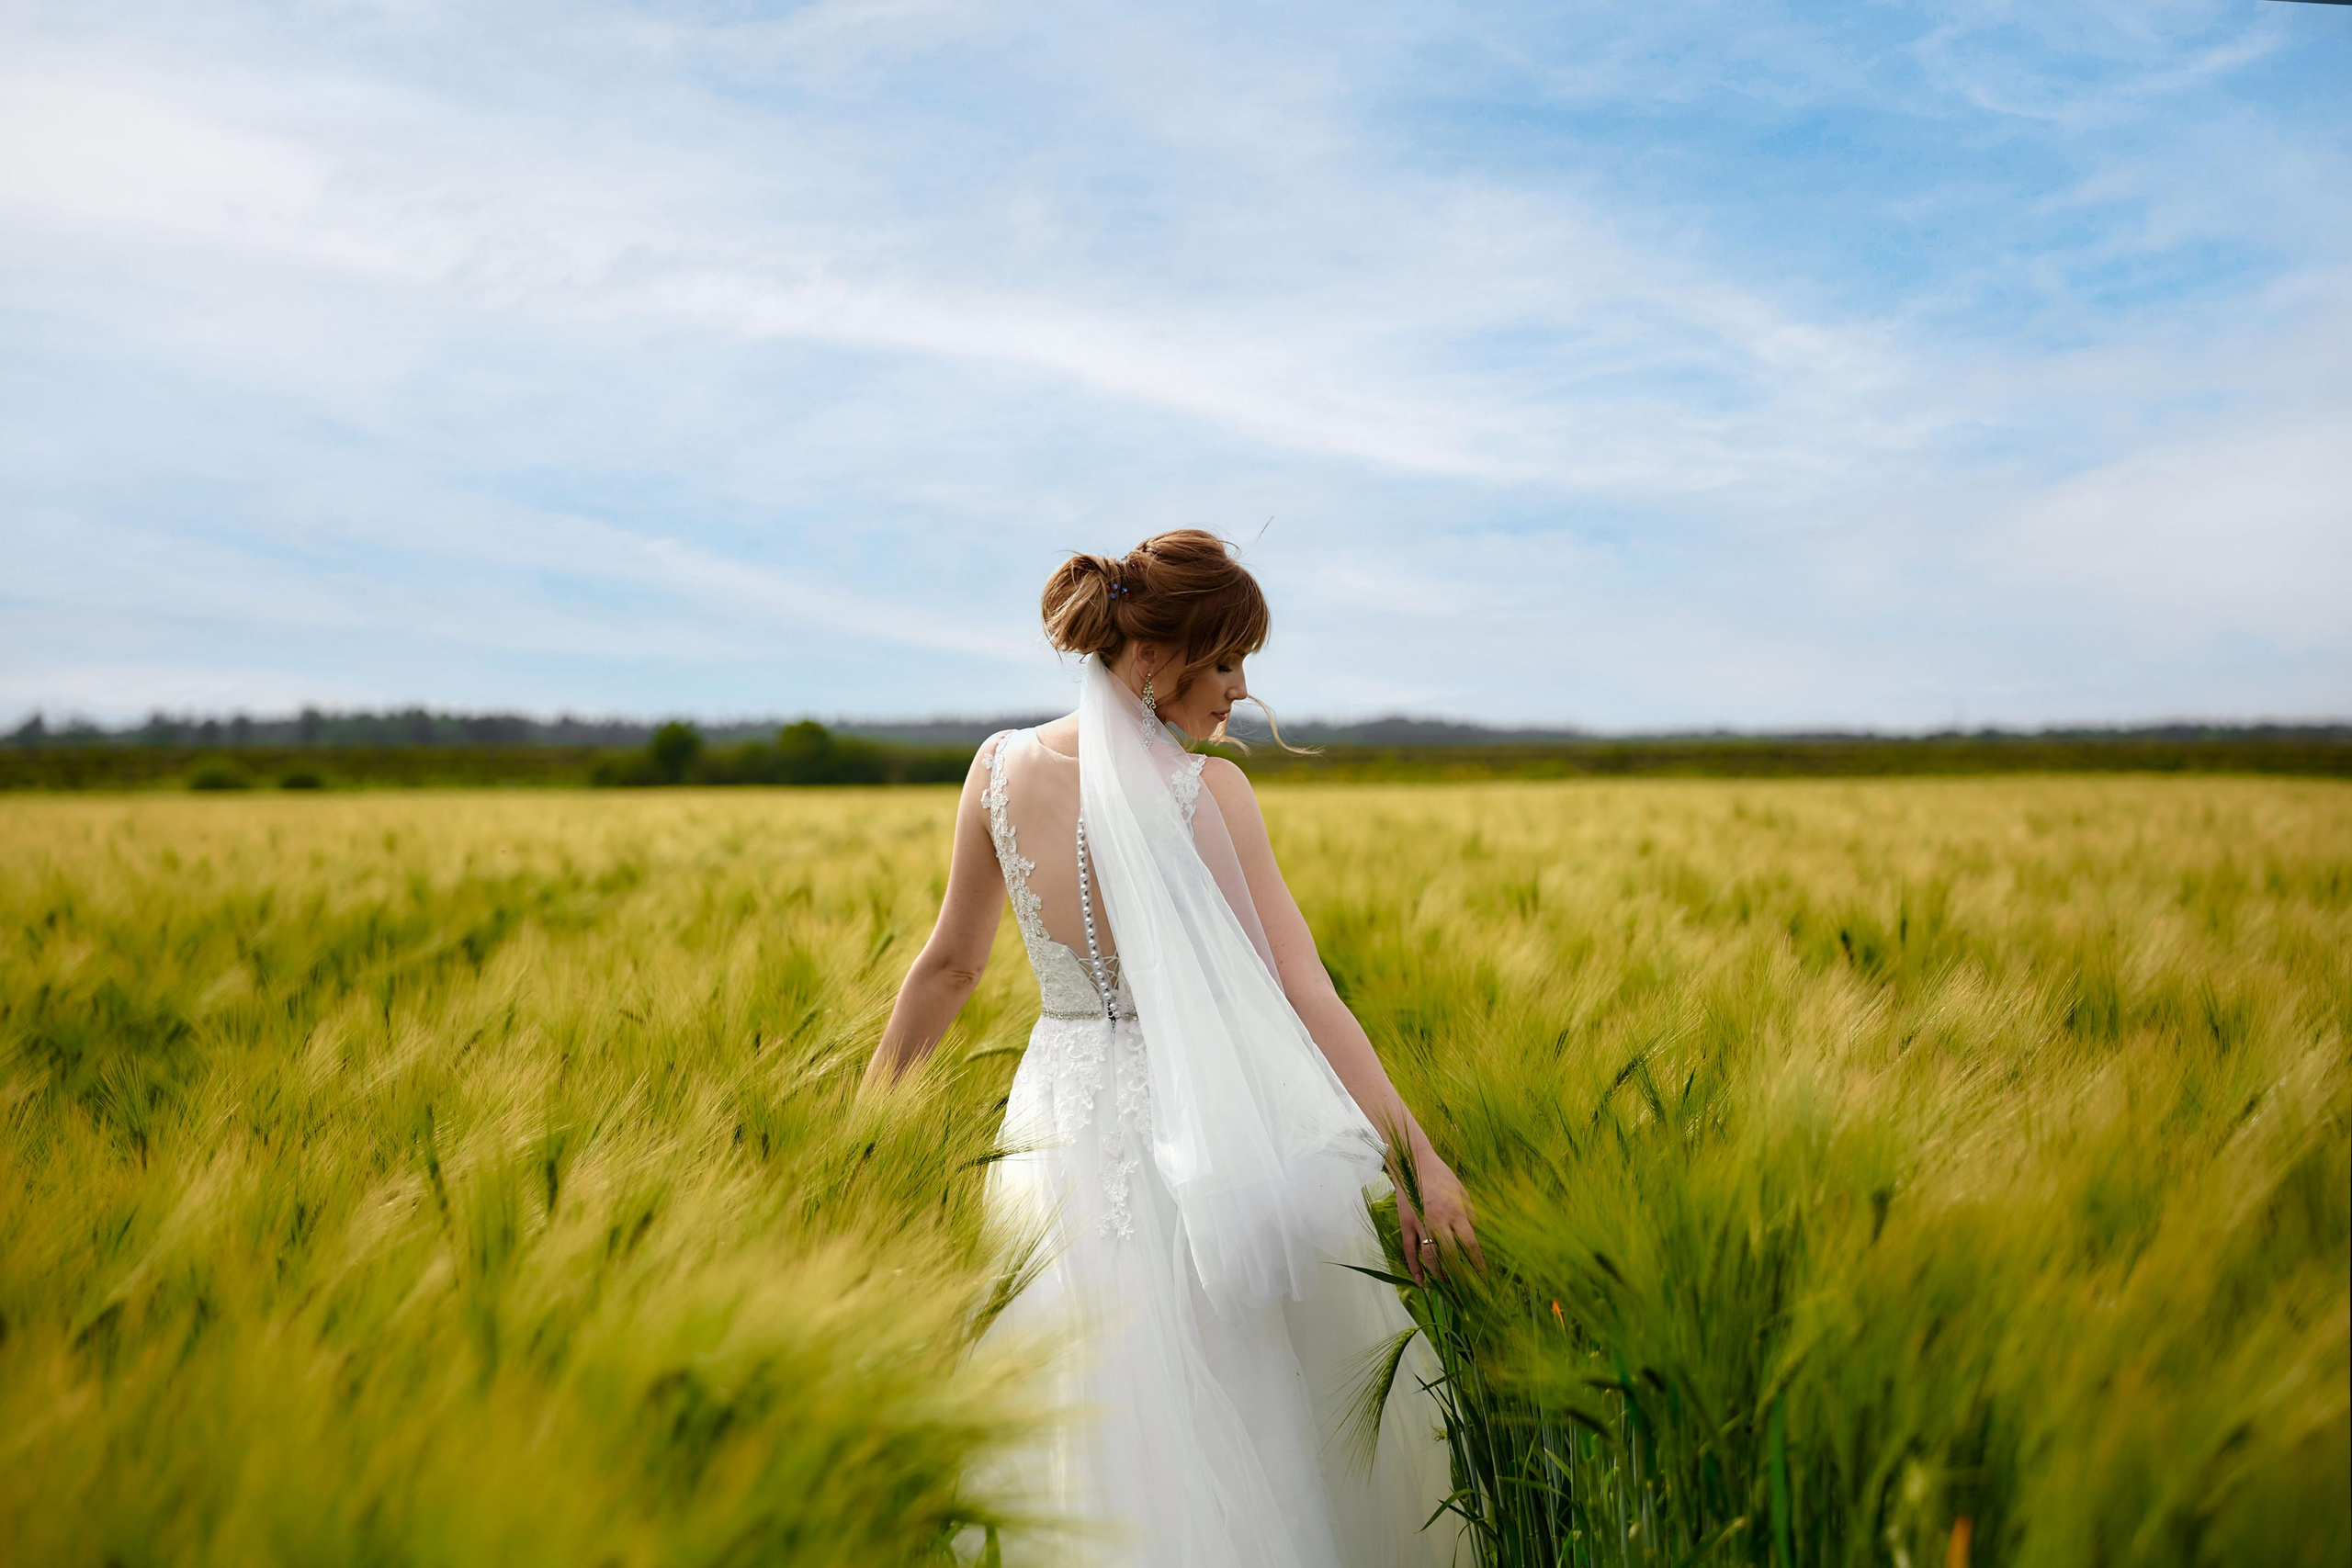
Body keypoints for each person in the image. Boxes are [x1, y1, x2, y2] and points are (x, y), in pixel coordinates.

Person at [863, 530, 1482, 1567]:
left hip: (1053, 1129)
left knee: (1075, 1401)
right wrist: (1416, 1155)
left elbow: (949, 968)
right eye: (1227, 660)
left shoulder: (996, 770)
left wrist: (860, 1126)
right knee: (1249, 1405)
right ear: (1154, 659)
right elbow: (1303, 988)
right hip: (1207, 1128)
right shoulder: (1214, 795)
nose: (1239, 690)